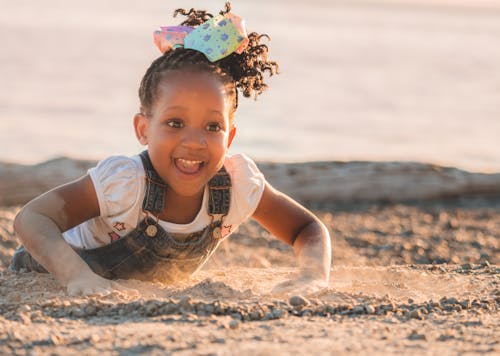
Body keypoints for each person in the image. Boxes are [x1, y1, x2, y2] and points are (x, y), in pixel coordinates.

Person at [11, 3, 331, 296]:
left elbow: (306, 228)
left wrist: (313, 275)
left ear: (230, 137)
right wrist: (77, 276)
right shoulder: (125, 184)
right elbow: (33, 218)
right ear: (142, 129)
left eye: (212, 126)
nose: (194, 141)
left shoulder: (236, 186)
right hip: (49, 263)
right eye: (176, 123)